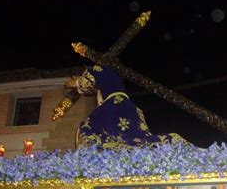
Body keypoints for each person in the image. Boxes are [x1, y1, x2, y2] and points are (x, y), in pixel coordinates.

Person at [54, 64, 187, 149]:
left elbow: (86, 82)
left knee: (87, 130)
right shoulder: (115, 76)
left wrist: (75, 82)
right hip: (128, 106)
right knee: (137, 135)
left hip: (113, 106)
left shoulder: (97, 69)